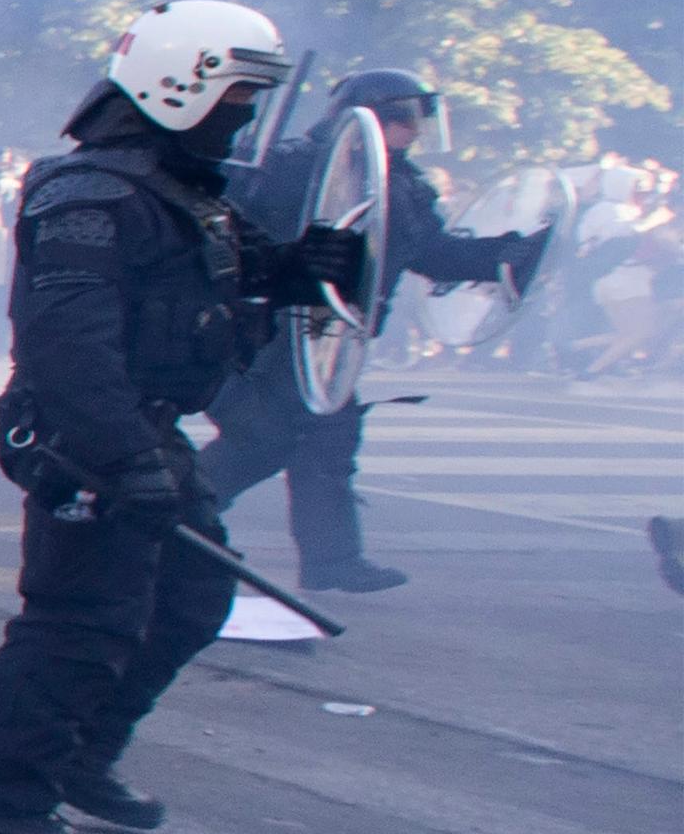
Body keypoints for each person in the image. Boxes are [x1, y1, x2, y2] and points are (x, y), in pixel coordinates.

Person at [0, 1, 356, 834]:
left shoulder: (177, 191)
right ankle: (0, 802)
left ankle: (80, 756)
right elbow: (67, 344)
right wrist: (124, 460)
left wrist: (303, 269)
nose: (244, 116)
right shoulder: (90, 194)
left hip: (142, 428)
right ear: (180, 84)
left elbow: (222, 281)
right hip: (86, 433)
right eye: (237, 96)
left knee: (191, 596)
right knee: (79, 621)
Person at [199, 67, 549, 592]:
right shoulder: (293, 165)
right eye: (406, 118)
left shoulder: (398, 182)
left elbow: (430, 254)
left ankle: (331, 561)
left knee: (328, 443)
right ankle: (161, 520)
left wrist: (505, 254)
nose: (416, 130)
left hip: (331, 336)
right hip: (265, 330)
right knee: (260, 440)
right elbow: (233, 237)